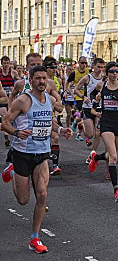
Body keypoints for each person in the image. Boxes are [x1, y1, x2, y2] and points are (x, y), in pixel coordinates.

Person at [1, 65, 72, 254]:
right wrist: (17, 132)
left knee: (42, 195)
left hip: (42, 154)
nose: (41, 81)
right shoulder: (22, 101)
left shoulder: (49, 99)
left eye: (44, 78)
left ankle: (35, 237)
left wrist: (60, 130)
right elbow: (5, 123)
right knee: (23, 200)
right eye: (38, 78)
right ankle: (13, 170)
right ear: (30, 80)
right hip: (22, 154)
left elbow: (50, 121)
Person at [88, 62, 118, 202]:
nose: (114, 74)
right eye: (111, 71)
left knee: (110, 155)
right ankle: (116, 190)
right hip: (106, 123)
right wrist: (96, 103)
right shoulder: (102, 86)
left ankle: (95, 158)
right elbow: (92, 97)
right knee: (113, 156)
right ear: (107, 73)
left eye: (117, 71)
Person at [74, 58, 106, 165]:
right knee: (90, 134)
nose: (100, 69)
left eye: (102, 67)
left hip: (98, 108)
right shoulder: (87, 78)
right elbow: (76, 89)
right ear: (93, 66)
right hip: (88, 107)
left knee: (98, 133)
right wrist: (83, 97)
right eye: (98, 67)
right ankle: (82, 125)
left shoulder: (104, 79)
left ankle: (91, 155)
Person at [66, 56, 89, 140]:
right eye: (82, 63)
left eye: (85, 63)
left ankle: (77, 129)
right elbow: (67, 83)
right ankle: (78, 129)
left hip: (87, 97)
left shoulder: (88, 71)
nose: (84, 65)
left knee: (83, 118)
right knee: (81, 117)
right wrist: (67, 92)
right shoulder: (74, 73)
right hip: (79, 97)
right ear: (79, 63)